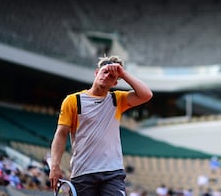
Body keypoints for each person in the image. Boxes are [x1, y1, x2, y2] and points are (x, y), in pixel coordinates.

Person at [49, 55, 153, 196]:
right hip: (83, 172)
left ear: (115, 83)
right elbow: (61, 134)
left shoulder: (117, 99)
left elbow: (146, 94)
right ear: (96, 73)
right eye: (104, 72)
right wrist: (55, 165)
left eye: (111, 76)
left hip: (112, 172)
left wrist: (123, 74)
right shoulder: (73, 100)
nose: (106, 76)